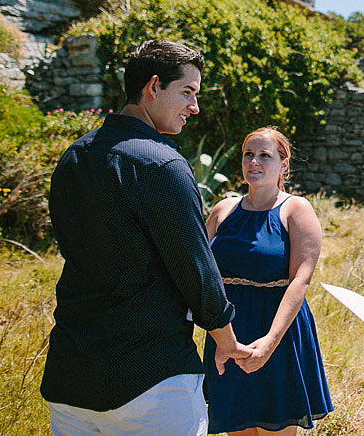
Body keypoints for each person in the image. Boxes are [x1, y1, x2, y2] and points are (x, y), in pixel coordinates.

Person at [41, 39, 253, 436]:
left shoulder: (73, 156)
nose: (195, 107)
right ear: (153, 87)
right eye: (187, 92)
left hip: (70, 379)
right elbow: (196, 269)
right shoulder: (161, 163)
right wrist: (226, 340)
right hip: (150, 381)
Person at [204, 126, 333, 435]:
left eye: (265, 156)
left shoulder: (295, 209)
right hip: (229, 332)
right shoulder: (223, 209)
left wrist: (270, 342)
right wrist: (219, 335)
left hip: (277, 331)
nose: (254, 163)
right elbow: (200, 272)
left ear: (283, 164)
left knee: (276, 428)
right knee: (236, 427)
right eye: (249, 155)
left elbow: (300, 281)